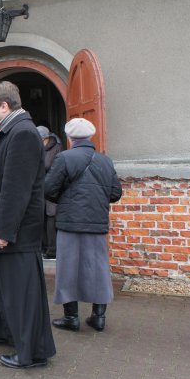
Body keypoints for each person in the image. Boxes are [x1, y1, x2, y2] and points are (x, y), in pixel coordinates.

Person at [0, 81, 56, 369]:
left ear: (5, 106)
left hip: (14, 233)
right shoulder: (11, 131)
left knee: (20, 292)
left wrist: (5, 230)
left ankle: (31, 352)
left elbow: (16, 188)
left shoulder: (22, 134)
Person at [44, 117, 122, 332]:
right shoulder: (105, 161)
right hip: (97, 224)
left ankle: (72, 318)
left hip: (70, 223)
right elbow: (116, 193)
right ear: (90, 136)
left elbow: (48, 190)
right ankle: (98, 317)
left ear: (70, 138)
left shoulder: (64, 158)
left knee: (69, 269)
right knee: (98, 269)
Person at [37, 126, 62, 259]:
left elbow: (55, 169)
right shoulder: (35, 147)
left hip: (51, 188)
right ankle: (41, 247)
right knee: (40, 217)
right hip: (38, 188)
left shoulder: (56, 148)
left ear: (46, 138)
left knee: (51, 217)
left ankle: (52, 249)